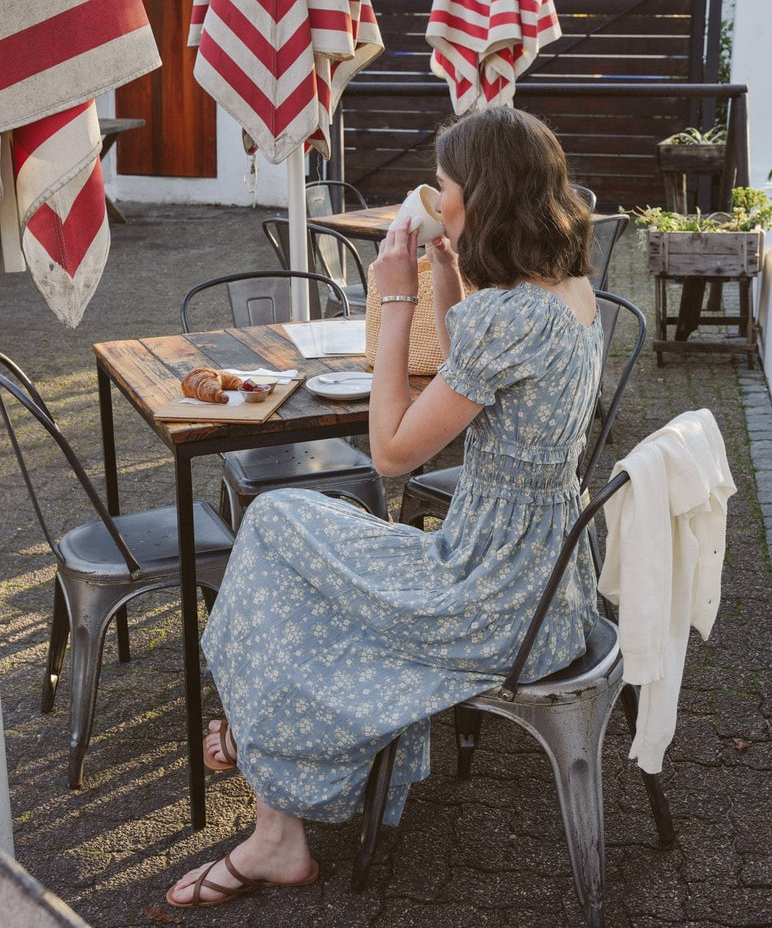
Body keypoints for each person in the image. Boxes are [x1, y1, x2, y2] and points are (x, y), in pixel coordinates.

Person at [166, 105, 602, 908]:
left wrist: (394, 296)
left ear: (484, 196)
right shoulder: (566, 289)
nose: (437, 200)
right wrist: (444, 269)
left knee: (273, 526)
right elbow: (473, 343)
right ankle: (268, 758)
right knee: (289, 537)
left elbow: (396, 453)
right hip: (545, 578)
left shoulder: (515, 319)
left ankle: (274, 813)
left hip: (491, 594)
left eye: (446, 188)